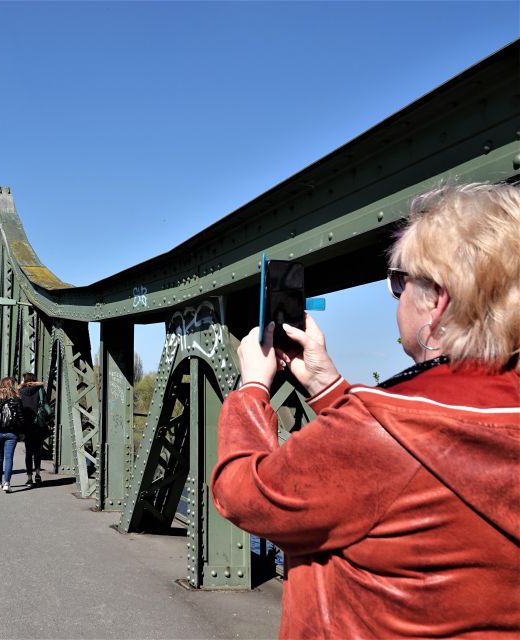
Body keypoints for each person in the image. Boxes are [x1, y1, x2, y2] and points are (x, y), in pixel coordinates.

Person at [211, 182, 520, 637]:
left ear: (436, 301)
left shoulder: (379, 430)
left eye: (400, 283)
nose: (396, 298)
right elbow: (408, 464)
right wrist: (327, 384)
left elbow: (243, 493)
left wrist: (252, 390)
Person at [0, 377, 26, 493]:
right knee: (9, 458)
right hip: (12, 433)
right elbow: (21, 418)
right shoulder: (16, 398)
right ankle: (7, 483)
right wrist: (21, 432)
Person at [18, 372, 45, 487]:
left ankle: (29, 478)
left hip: (26, 425)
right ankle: (38, 474)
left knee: (28, 453)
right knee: (37, 451)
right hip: (38, 424)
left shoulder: (20, 392)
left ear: (25, 380)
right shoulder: (40, 390)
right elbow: (46, 405)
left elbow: (18, 408)